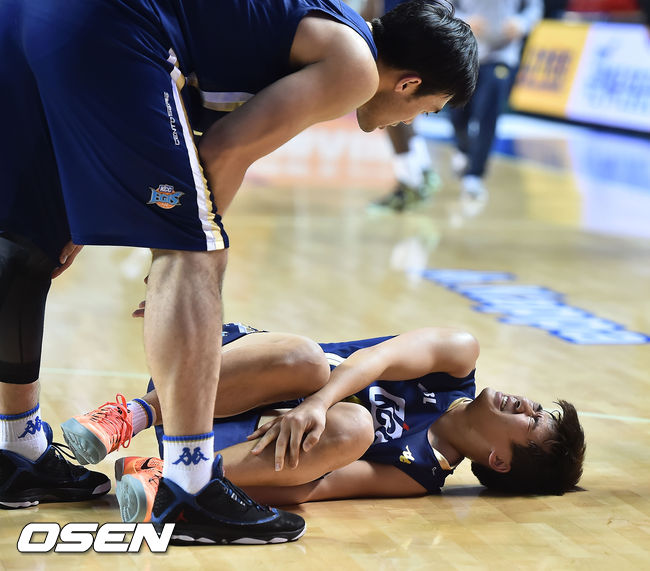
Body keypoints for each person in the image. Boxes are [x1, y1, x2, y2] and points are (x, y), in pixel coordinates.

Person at [0, 0, 478, 544]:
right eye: (428, 109)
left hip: (28, 15)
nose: (411, 121)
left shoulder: (322, 27)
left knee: (24, 244)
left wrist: (101, 218)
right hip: (113, 24)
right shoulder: (355, 67)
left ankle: (17, 450)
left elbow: (170, 133)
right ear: (408, 83)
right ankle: (189, 487)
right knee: (199, 255)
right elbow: (225, 150)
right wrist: (176, 261)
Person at [60, 322, 586, 523]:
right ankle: (130, 414)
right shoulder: (458, 357)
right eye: (538, 406)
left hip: (230, 444)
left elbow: (313, 487)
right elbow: (375, 360)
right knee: (312, 363)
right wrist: (316, 404)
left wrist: (215, 484)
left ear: (499, 461)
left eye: (532, 422)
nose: (528, 405)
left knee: (353, 428)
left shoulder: (419, 475)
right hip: (224, 376)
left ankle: (174, 478)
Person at [449, 0, 543, 197]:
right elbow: (443, 6)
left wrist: (521, 24)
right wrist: (464, 20)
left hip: (502, 55)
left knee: (488, 114)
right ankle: (464, 149)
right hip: (465, 51)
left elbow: (534, 8)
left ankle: (475, 174)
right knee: (457, 112)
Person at [364, 0, 441, 212]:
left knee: (392, 112)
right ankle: (421, 170)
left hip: (399, 39)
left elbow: (370, 10)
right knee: (406, 113)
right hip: (415, 36)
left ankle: (409, 183)